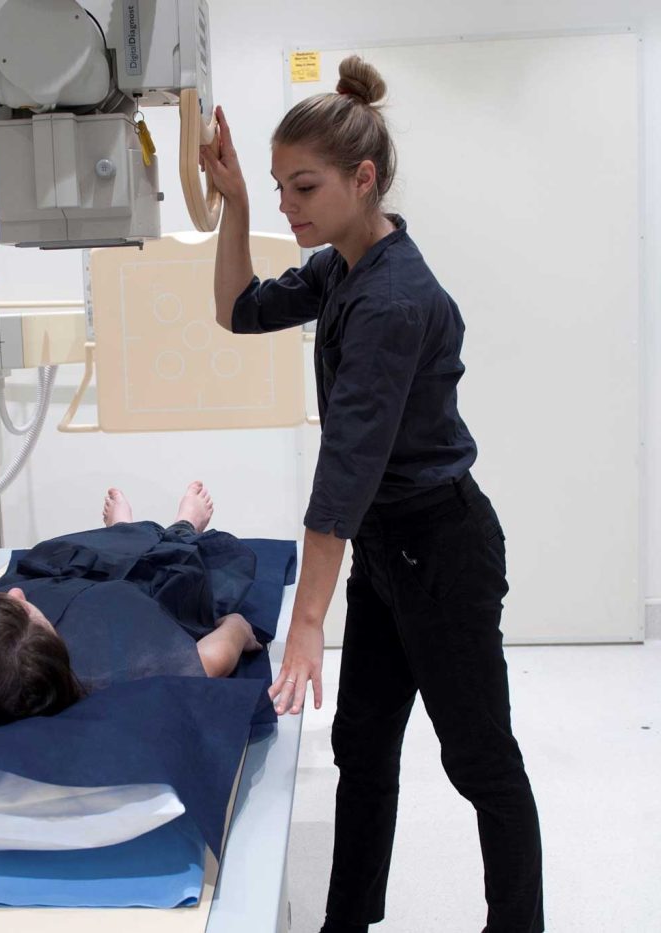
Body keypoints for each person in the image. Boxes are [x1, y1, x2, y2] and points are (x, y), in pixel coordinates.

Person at [201, 55, 543, 933]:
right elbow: (237, 309)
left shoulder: (392, 299)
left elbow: (344, 474)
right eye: (278, 188)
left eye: (303, 187)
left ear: (363, 179)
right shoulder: (343, 267)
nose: (288, 206)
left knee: (480, 760)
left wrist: (307, 620)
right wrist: (233, 205)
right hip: (391, 549)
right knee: (362, 745)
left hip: (442, 549)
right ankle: (347, 921)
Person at [0, 482, 263, 736]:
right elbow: (212, 661)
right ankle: (183, 527)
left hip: (58, 579)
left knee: (68, 555)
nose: (16, 594)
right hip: (130, 601)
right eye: (26, 610)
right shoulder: (105, 674)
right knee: (177, 573)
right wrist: (236, 627)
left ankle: (122, 532)